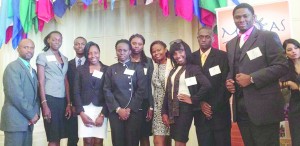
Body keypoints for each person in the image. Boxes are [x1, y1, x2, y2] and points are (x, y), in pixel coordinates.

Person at [225, 3, 288, 146]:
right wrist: (229, 80)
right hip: (241, 108)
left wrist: (252, 78)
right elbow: (232, 69)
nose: (241, 19)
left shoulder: (267, 37)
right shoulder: (231, 43)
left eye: (245, 16)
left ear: (254, 17)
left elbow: (282, 66)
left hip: (264, 108)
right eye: (237, 17)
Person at [161, 39, 211, 146]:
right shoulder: (173, 70)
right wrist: (164, 112)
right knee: (176, 139)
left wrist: (193, 99)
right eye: (174, 53)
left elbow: (206, 85)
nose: (178, 55)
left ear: (186, 51)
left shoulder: (193, 68)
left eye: (181, 51)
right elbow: (168, 92)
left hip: (184, 109)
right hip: (172, 108)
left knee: (180, 140)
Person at [192, 27, 231, 146]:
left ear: (213, 39)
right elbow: (190, 85)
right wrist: (200, 103)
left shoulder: (223, 56)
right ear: (197, 39)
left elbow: (226, 84)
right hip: (200, 113)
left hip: (219, 112)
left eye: (207, 37)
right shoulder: (191, 58)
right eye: (201, 37)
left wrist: (211, 106)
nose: (203, 39)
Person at [104, 39, 146, 146]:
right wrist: (118, 109)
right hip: (116, 112)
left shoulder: (138, 67)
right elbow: (107, 90)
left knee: (132, 142)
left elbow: (141, 89)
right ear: (116, 51)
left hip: (133, 111)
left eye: (125, 50)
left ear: (130, 52)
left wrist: (129, 109)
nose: (122, 53)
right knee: (118, 142)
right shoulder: (111, 69)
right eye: (119, 50)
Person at [0, 39, 40, 146]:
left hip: (28, 122)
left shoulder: (33, 71)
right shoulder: (12, 67)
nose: (29, 50)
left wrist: (36, 114)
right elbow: (15, 95)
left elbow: (36, 96)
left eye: (31, 48)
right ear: (18, 49)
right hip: (15, 122)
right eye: (25, 47)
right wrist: (31, 114)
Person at [36, 31, 71, 146]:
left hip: (62, 99)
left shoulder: (65, 58)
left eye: (59, 40)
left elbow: (66, 81)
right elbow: (40, 81)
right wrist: (44, 104)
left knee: (59, 135)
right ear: (48, 40)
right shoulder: (42, 56)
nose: (57, 41)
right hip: (49, 99)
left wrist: (68, 103)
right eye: (54, 39)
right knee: (53, 137)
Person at [74, 41, 108, 146]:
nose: (93, 56)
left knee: (98, 141)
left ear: (99, 53)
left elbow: (109, 93)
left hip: (101, 109)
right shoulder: (80, 70)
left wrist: (103, 114)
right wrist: (81, 113)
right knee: (87, 141)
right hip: (84, 109)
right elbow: (76, 91)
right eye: (89, 53)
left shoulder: (107, 69)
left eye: (95, 52)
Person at [129, 34, 153, 146]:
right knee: (130, 137)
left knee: (144, 136)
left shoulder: (148, 62)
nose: (136, 46)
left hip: (144, 103)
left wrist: (151, 105)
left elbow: (150, 84)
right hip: (127, 103)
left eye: (139, 44)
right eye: (134, 43)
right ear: (130, 44)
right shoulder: (125, 60)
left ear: (143, 46)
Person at [150, 40, 173, 146]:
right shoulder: (153, 66)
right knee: (158, 141)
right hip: (157, 108)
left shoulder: (172, 64)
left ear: (165, 50)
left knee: (169, 139)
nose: (156, 53)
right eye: (153, 51)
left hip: (171, 106)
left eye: (159, 50)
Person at [66, 36, 87, 146]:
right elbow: (68, 85)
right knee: (73, 138)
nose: (80, 46)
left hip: (89, 106)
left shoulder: (91, 63)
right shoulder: (68, 64)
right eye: (77, 44)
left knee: (88, 139)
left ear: (86, 46)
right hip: (74, 106)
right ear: (73, 47)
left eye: (82, 44)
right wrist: (70, 104)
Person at [280, 38, 300, 146]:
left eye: (296, 48)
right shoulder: (285, 66)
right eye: (289, 49)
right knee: (297, 137)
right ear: (285, 53)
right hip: (296, 104)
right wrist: (290, 84)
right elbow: (278, 84)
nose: (294, 51)